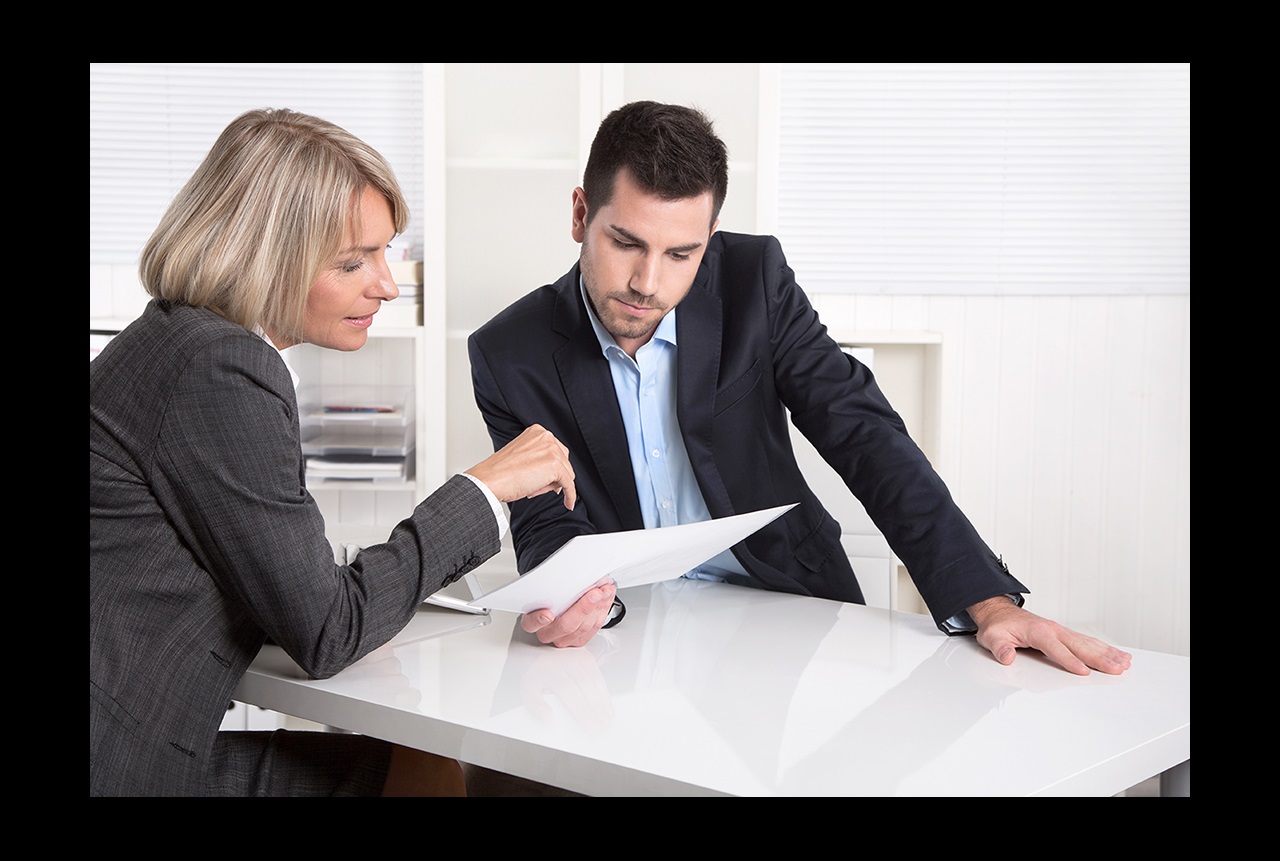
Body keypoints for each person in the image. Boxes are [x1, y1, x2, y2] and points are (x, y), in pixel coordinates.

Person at [468, 100, 1132, 675]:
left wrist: (984, 597)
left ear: (710, 240)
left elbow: (862, 431)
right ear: (582, 214)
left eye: (681, 254)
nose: (649, 282)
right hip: (624, 628)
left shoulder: (753, 280)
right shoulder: (508, 351)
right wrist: (579, 597)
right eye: (627, 243)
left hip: (784, 603)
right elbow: (545, 513)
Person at [90, 108, 578, 796]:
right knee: (424, 776)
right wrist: (485, 491)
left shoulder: (172, 341)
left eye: (385, 252)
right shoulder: (219, 367)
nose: (384, 283)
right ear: (265, 256)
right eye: (353, 261)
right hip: (126, 766)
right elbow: (327, 630)